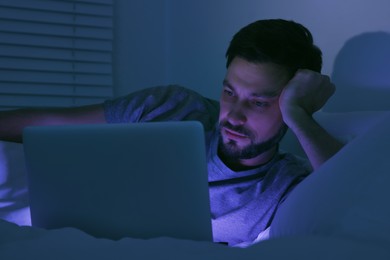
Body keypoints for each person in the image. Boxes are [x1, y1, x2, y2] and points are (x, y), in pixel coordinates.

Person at [0, 19, 343, 246]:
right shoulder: (173, 108)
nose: (234, 116)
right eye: (229, 92)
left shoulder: (290, 184)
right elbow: (50, 124)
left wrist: (299, 114)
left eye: (258, 103)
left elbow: (354, 199)